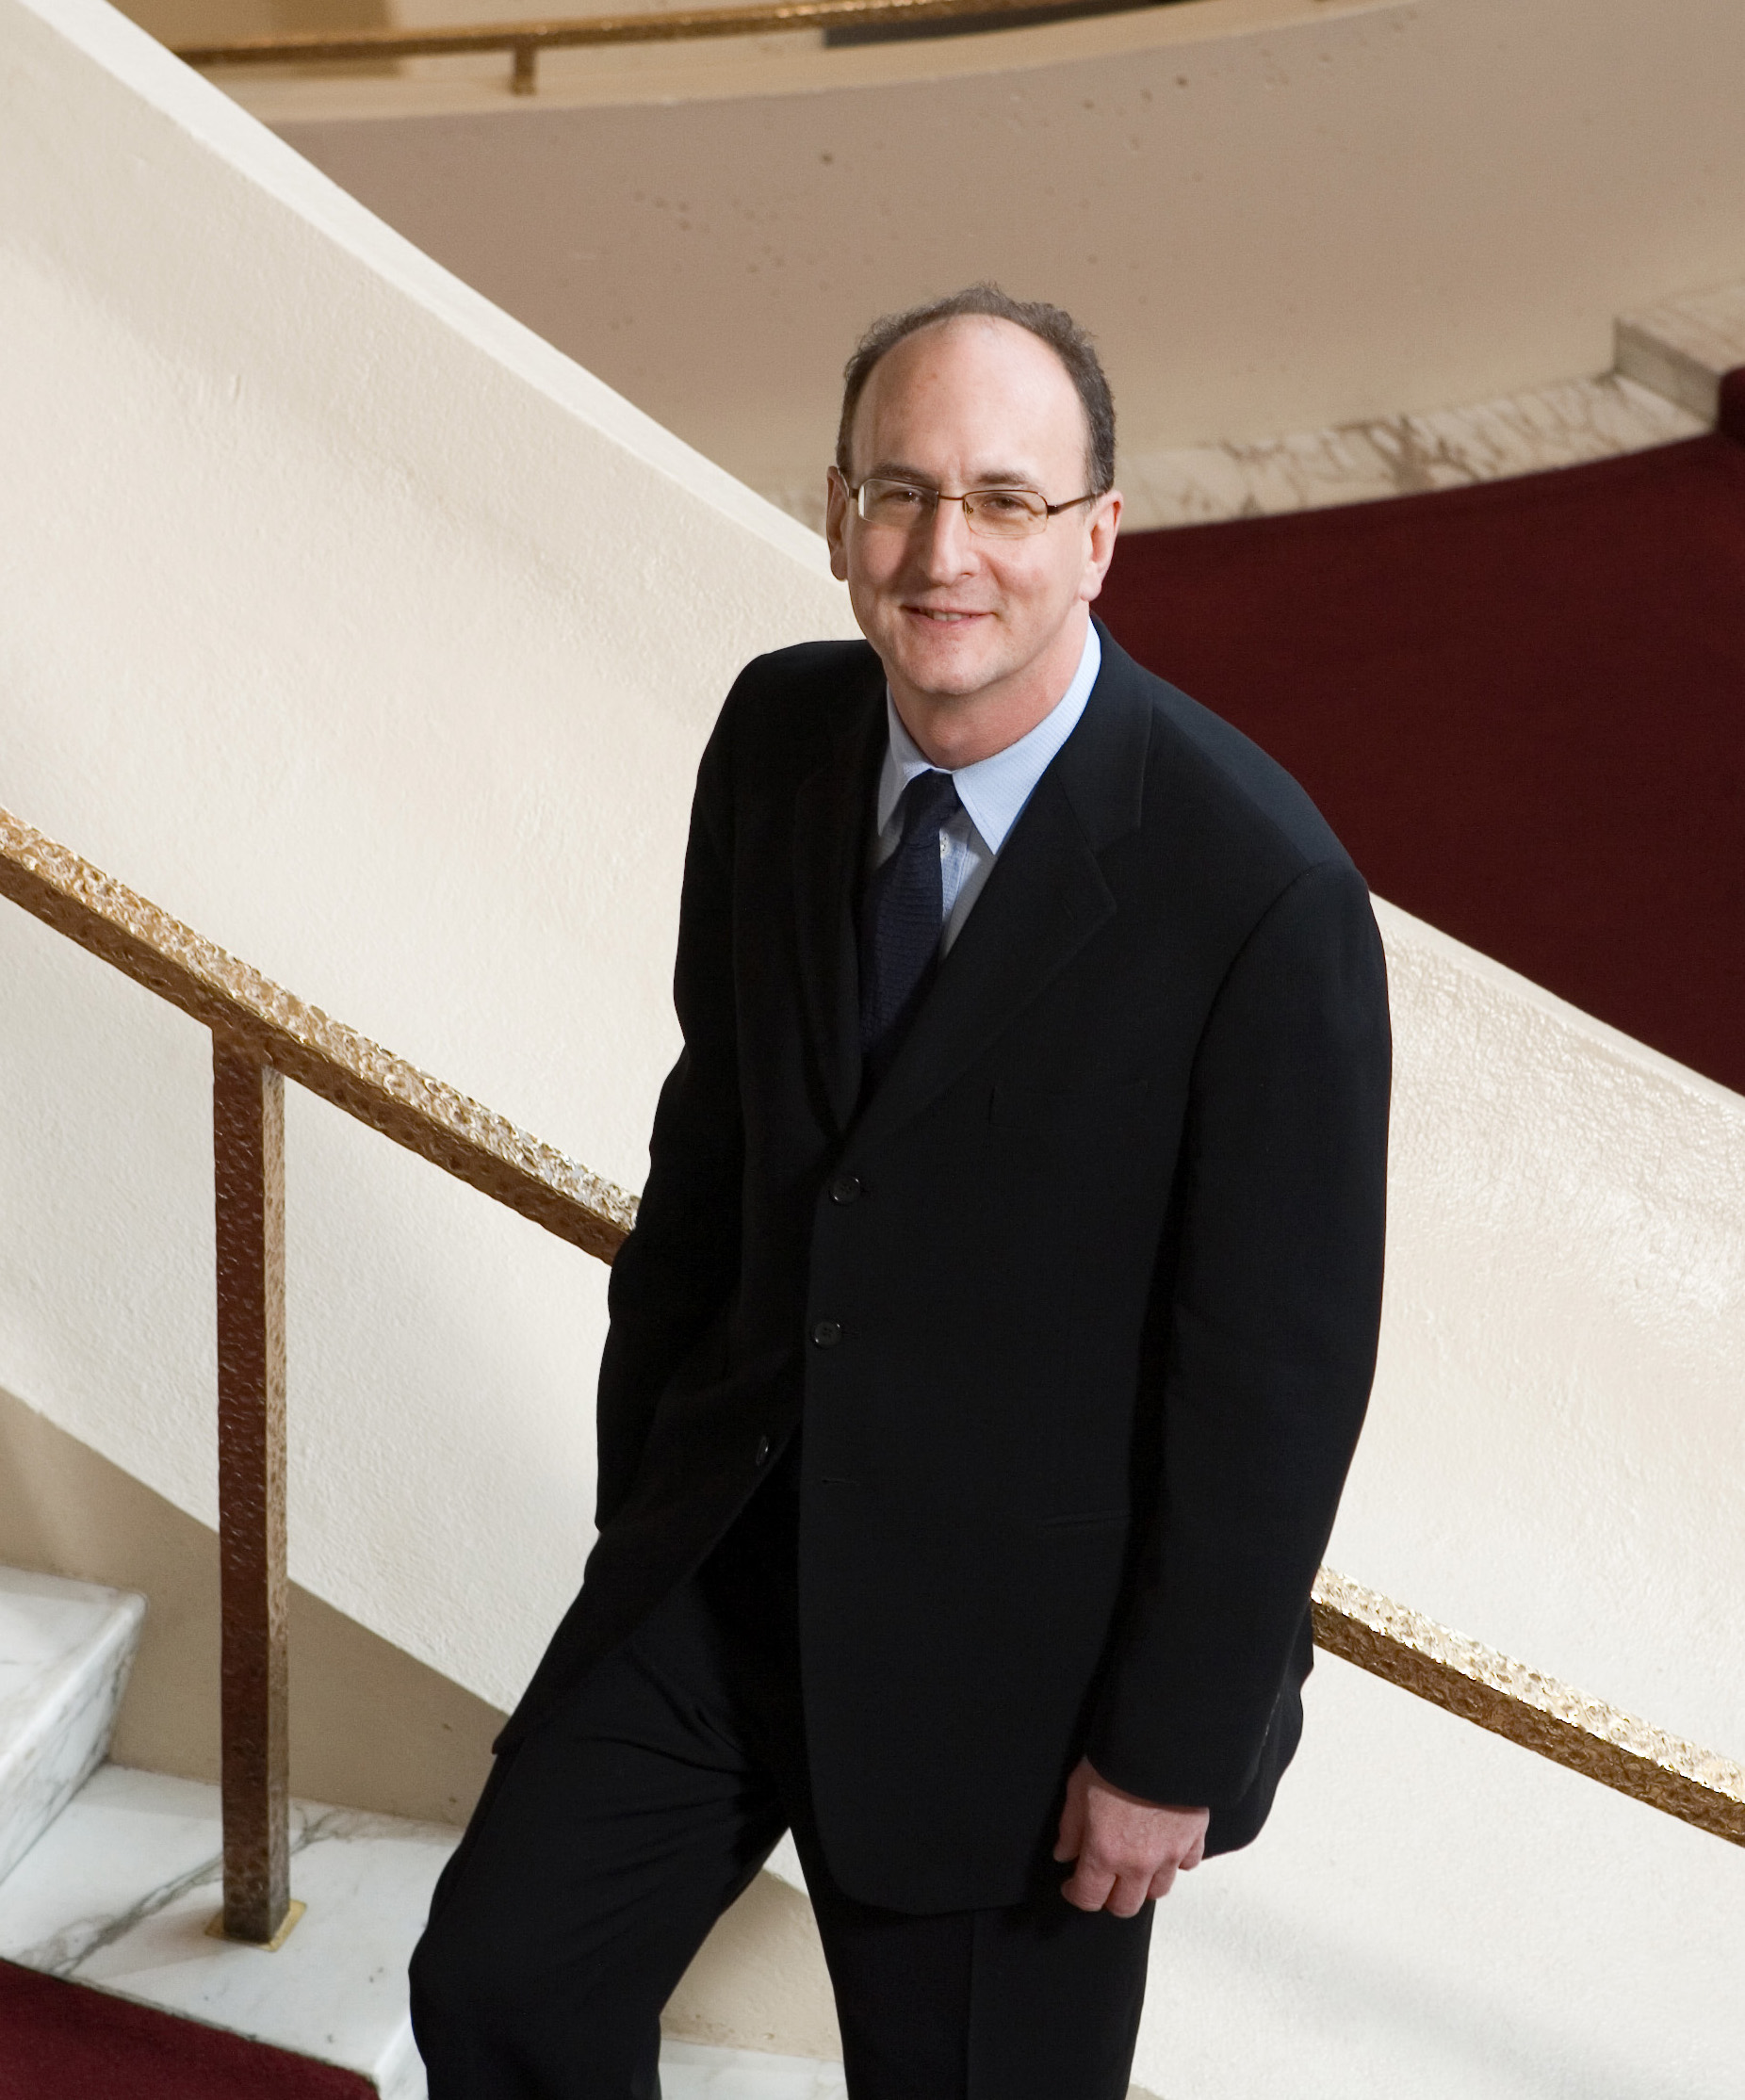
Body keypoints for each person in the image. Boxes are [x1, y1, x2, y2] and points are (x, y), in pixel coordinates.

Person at [410, 285, 1392, 2100]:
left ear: (1101, 534)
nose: (945, 552)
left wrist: (1165, 1749)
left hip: (1026, 1688)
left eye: (1008, 501)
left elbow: (1274, 1376)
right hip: (727, 1573)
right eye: (899, 490)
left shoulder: (1259, 896)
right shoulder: (777, 738)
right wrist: (652, 1514)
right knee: (501, 1980)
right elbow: (708, 1161)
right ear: (836, 508)